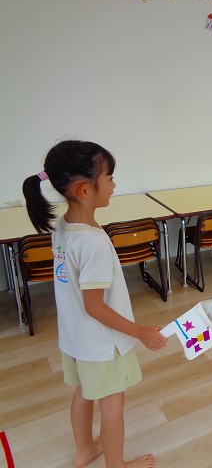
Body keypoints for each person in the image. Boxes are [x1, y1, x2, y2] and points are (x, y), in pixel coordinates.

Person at [22, 140, 167, 468]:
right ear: (85, 189)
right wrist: (140, 332)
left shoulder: (64, 227)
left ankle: (85, 449)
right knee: (112, 404)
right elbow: (95, 306)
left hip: (75, 338)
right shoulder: (93, 243)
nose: (114, 185)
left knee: (83, 392)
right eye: (110, 177)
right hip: (102, 344)